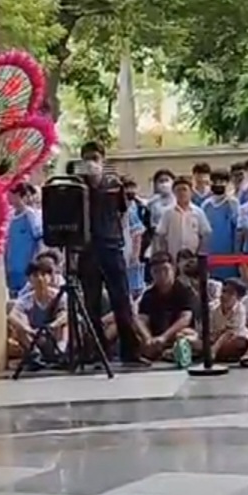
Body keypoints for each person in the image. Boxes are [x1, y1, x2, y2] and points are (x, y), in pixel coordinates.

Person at [72, 141, 143, 368]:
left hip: (111, 248)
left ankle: (130, 352)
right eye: (87, 158)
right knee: (91, 304)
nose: (91, 162)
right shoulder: (77, 185)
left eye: (95, 157)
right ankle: (96, 352)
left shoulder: (114, 183)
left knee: (122, 300)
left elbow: (123, 212)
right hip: (88, 251)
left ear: (103, 159)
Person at [134, 252, 198, 365]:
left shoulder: (185, 291)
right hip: (155, 337)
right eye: (156, 272)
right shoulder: (148, 295)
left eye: (165, 270)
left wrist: (164, 337)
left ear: (173, 269)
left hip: (175, 335)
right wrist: (148, 338)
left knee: (185, 336)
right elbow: (141, 319)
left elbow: (185, 319)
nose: (162, 275)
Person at [209, 278, 248, 362]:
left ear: (238, 297)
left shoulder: (240, 310)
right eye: (224, 291)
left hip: (232, 339)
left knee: (240, 342)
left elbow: (231, 332)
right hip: (213, 339)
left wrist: (215, 347)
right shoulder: (212, 308)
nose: (225, 296)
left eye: (230, 293)